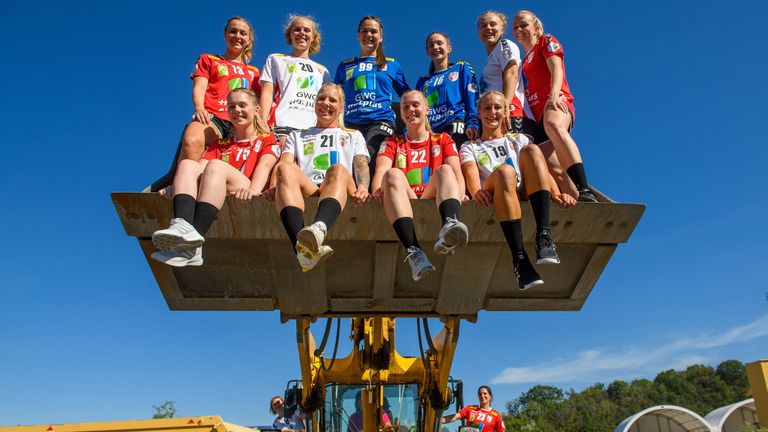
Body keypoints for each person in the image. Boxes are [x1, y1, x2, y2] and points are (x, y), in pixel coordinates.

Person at [150, 88, 278, 267]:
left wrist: (254, 191)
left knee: (216, 165)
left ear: (256, 110)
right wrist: (179, 185)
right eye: (231, 107)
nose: (236, 111)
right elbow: (199, 169)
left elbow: (265, 166)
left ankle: (196, 238)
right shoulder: (221, 144)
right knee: (187, 164)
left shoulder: (267, 139)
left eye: (242, 105)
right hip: (217, 188)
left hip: (246, 187)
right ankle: (182, 225)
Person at [461, 92, 576, 289]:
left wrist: (557, 194)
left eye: (498, 107)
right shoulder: (470, 146)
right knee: (506, 172)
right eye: (487, 108)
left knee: (532, 151)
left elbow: (541, 170)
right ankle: (519, 258)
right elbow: (471, 173)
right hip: (494, 189)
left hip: (522, 190)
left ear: (506, 112)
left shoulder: (518, 139)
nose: (493, 112)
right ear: (479, 113)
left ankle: (544, 236)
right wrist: (475, 191)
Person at [265, 83, 370, 272]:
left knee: (337, 169)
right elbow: (284, 161)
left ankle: (319, 228)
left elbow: (361, 164)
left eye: (332, 100)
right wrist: (274, 185)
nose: (326, 103)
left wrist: (363, 186)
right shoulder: (297, 135)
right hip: (311, 188)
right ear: (314, 103)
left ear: (341, 107)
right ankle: (304, 251)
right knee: (286, 168)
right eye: (321, 98)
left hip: (340, 185)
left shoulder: (353, 135)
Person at [371, 90, 468, 282]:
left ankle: (450, 224)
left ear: (427, 109)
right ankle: (414, 251)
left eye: (415, 105)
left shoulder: (442, 139)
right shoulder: (392, 142)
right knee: (392, 174)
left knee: (446, 170)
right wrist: (376, 191)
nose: (411, 110)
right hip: (407, 197)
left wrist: (462, 194)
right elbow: (381, 171)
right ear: (400, 113)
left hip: (433, 195)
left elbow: (457, 171)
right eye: (405, 107)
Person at [512, 10, 596, 202]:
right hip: (537, 115)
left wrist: (553, 95)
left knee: (554, 125)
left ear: (536, 27)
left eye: (523, 24)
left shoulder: (545, 40)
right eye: (515, 27)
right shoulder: (523, 61)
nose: (519, 29)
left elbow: (556, 67)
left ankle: (584, 187)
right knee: (552, 166)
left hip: (556, 101)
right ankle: (582, 203)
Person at [334, 16, 409, 175]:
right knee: (347, 158)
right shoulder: (345, 65)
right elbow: (336, 96)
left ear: (380, 37)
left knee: (371, 151)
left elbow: (407, 95)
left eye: (373, 31)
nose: (369, 34)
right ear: (358, 35)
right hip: (350, 122)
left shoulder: (392, 64)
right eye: (364, 31)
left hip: (380, 120)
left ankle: (373, 194)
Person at [182, 17, 261, 162]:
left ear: (249, 39)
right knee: (192, 140)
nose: (237, 36)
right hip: (213, 117)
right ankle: (181, 181)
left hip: (240, 123)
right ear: (225, 35)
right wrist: (199, 108)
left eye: (243, 33)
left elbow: (259, 103)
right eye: (233, 31)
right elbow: (199, 86)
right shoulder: (208, 59)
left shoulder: (255, 72)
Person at [260, 15, 332, 148]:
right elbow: (267, 92)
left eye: (307, 30)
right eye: (297, 29)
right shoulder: (276, 59)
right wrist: (262, 123)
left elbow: (328, 102)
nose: (302, 33)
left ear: (313, 37)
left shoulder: (322, 71)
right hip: (283, 125)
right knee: (281, 167)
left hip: (313, 129)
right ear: (290, 34)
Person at [415, 32, 480, 148]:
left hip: (454, 123)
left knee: (452, 160)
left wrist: (473, 123)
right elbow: (417, 109)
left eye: (439, 43)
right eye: (431, 45)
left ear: (449, 48)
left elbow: (472, 97)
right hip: (431, 130)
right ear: (427, 52)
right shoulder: (422, 81)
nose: (435, 47)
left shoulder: (461, 67)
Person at [476, 11, 535, 137]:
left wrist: (505, 107)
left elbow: (512, 72)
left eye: (493, 24)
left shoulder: (504, 45)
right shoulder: (490, 59)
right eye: (483, 25)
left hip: (514, 113)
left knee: (521, 156)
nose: (488, 28)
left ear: (502, 30)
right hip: (498, 116)